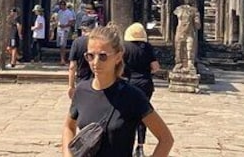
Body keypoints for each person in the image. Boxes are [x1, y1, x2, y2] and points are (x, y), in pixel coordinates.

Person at [62, 24, 174, 157]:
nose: (95, 63)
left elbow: (166, 139)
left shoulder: (132, 96)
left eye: (103, 56)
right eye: (90, 56)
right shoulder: (81, 91)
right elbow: (68, 127)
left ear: (118, 57)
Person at [123, 23, 161, 157]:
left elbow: (119, 67)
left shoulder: (124, 48)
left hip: (129, 83)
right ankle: (140, 146)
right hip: (145, 83)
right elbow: (156, 67)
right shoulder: (147, 48)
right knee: (143, 115)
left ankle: (126, 144)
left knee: (127, 115)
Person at [67, 15, 98, 99]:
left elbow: (72, 66)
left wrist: (71, 85)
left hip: (82, 80)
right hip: (97, 80)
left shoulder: (77, 42)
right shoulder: (99, 41)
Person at [56, 0, 76, 65]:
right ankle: (61, 58)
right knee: (60, 45)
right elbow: (58, 19)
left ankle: (63, 59)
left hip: (65, 30)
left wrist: (65, 25)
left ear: (64, 5)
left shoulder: (69, 13)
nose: (60, 6)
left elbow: (72, 22)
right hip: (59, 29)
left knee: (63, 45)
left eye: (61, 5)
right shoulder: (59, 12)